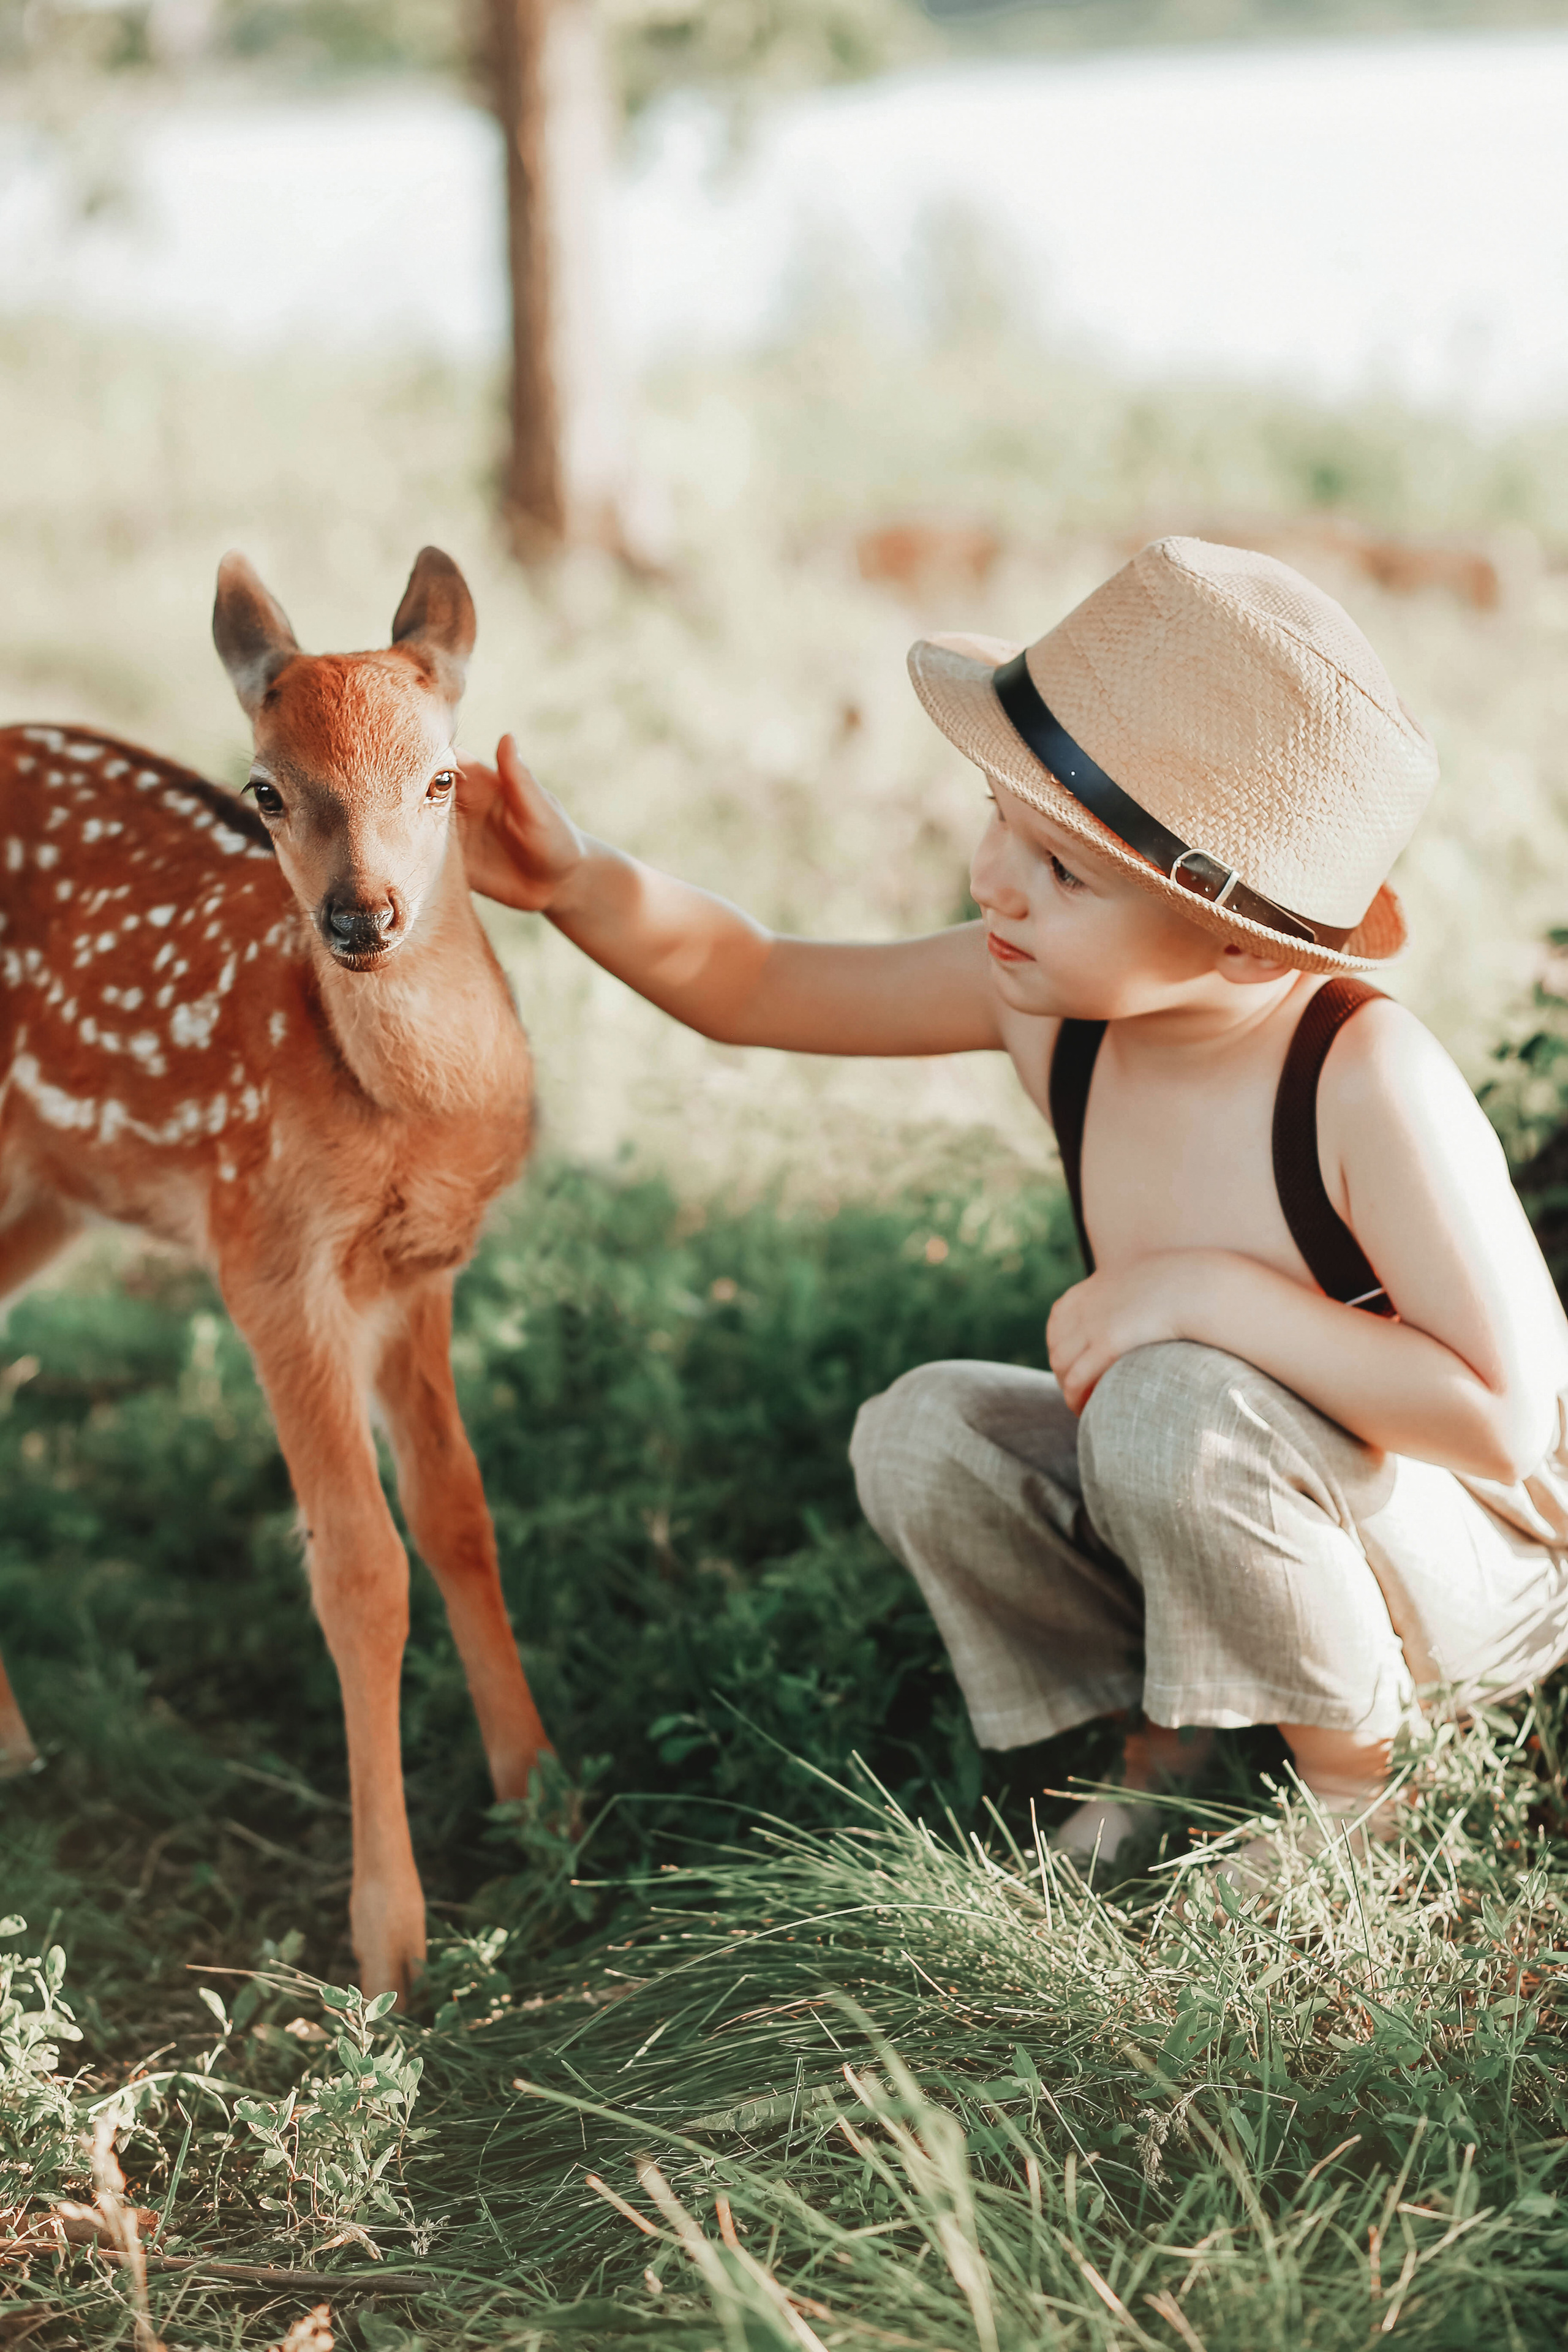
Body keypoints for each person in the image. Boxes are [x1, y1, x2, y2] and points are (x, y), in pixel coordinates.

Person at [458, 536, 1568, 1871]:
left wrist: (1203, 1295)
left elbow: (1501, 1422)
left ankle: (1361, 1792)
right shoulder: (1054, 1008)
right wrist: (578, 881)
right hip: (1236, 1505)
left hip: (1465, 1577)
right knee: (924, 1432)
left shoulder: (1359, 1074)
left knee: (1165, 1395)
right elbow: (756, 983)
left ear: (1237, 935)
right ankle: (1172, 1743)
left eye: (1063, 869)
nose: (992, 878)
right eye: (1002, 820)